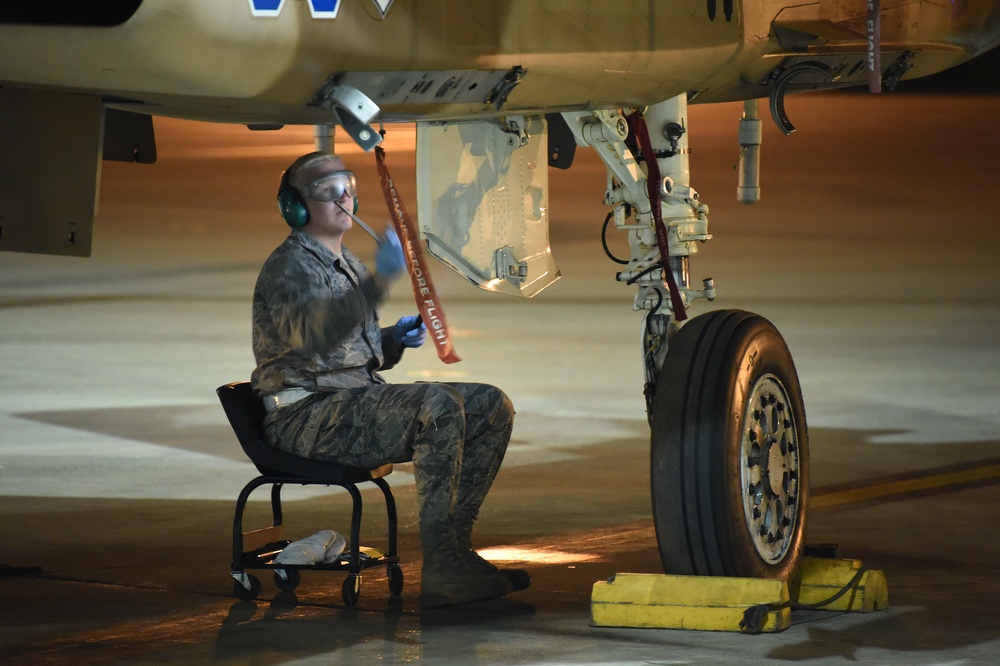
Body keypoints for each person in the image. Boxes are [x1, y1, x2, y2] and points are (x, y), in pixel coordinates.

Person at [250, 151, 528, 608]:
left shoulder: (347, 265)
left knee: (489, 404)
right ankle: (440, 566)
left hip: (347, 405)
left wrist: (393, 339)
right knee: (435, 405)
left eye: (349, 189)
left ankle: (456, 551)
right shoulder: (290, 266)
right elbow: (314, 336)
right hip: (304, 416)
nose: (344, 200)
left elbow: (350, 354)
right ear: (295, 206)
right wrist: (380, 280)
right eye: (328, 191)